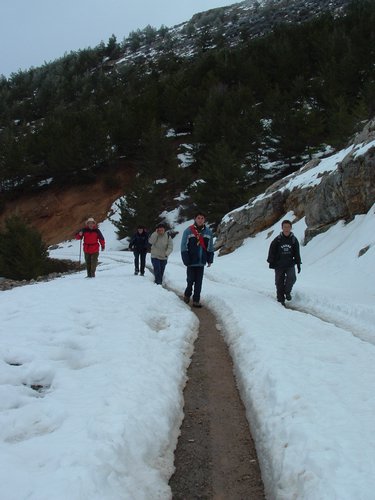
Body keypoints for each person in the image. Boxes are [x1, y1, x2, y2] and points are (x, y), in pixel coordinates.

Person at [180, 212, 214, 308]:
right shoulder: (188, 231)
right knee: (190, 280)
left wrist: (210, 259)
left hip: (201, 262)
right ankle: (187, 294)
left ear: (204, 220)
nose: (200, 220)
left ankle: (196, 300)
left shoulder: (208, 232)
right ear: (195, 219)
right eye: (198, 218)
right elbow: (183, 246)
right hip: (191, 261)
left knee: (199, 282)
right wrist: (186, 259)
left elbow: (210, 247)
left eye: (202, 218)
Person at [267, 219, 301, 305]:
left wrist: (298, 263)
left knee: (292, 278)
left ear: (291, 228)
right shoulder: (277, 240)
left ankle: (287, 292)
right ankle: (281, 300)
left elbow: (297, 252)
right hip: (279, 265)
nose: (286, 229)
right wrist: (271, 261)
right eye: (285, 227)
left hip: (290, 264)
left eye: (288, 227)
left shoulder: (294, 240)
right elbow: (272, 251)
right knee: (279, 282)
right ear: (282, 228)